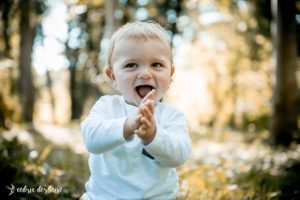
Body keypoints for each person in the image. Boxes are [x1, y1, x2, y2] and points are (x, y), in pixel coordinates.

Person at [81, 21, 191, 200]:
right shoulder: (107, 107)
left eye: (156, 65)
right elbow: (91, 139)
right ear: (113, 76)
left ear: (170, 75)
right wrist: (127, 125)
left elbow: (180, 155)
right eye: (131, 65)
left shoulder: (171, 115)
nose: (145, 74)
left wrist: (153, 136)